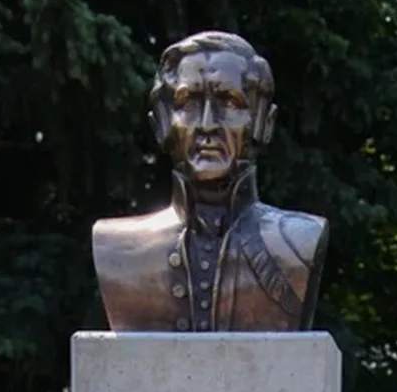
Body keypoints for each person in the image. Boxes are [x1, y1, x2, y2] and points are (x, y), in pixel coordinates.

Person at [93, 30, 328, 333]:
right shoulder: (116, 248)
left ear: (262, 123)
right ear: (162, 124)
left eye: (228, 102)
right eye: (188, 102)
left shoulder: (300, 242)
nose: (207, 124)